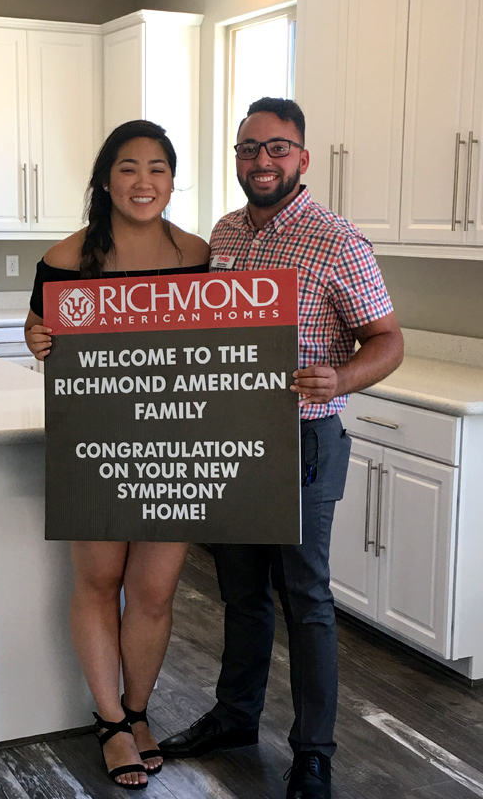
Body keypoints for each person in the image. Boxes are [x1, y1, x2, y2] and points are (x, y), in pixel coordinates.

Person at [157, 98, 403, 799]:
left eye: (275, 148)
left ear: (301, 155)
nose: (260, 162)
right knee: (241, 593)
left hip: (304, 438)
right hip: (234, 434)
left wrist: (343, 373)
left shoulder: (338, 241)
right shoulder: (225, 233)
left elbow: (388, 340)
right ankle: (235, 717)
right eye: (247, 149)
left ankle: (314, 753)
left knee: (307, 599)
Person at [24, 120, 210, 790]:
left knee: (155, 592)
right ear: (106, 179)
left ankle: (139, 712)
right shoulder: (69, 257)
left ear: (170, 178)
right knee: (99, 583)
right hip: (94, 442)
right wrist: (39, 337)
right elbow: (37, 325)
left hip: (177, 442)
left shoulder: (196, 254)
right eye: (129, 167)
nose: (143, 181)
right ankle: (109, 723)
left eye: (157, 168)